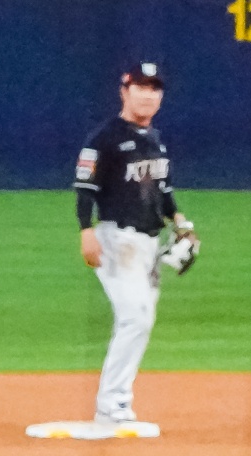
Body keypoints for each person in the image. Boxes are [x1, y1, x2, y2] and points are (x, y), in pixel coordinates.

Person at [72, 61, 198, 433]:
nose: (148, 95)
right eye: (140, 87)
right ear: (124, 92)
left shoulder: (155, 139)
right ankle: (111, 405)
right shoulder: (104, 138)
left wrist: (181, 223)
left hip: (148, 244)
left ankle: (118, 401)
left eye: (154, 89)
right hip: (116, 240)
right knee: (135, 317)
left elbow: (164, 191)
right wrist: (86, 230)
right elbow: (86, 188)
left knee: (142, 320)